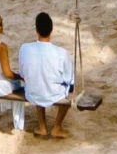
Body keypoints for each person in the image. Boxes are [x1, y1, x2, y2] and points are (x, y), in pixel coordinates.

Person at [15, 10, 75, 138]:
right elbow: (69, 79)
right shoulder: (61, 53)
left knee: (36, 79)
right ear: (51, 29)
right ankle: (57, 127)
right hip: (53, 93)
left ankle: (42, 126)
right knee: (67, 89)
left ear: (36, 30)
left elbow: (22, 72)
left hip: (32, 93)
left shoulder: (25, 48)